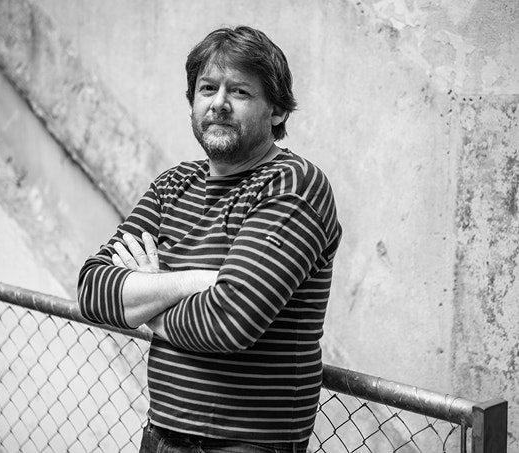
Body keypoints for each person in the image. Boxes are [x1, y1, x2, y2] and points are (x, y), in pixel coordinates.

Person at [78, 25, 342, 453]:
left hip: (247, 445)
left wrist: (147, 302)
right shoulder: (172, 186)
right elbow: (93, 290)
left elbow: (230, 320)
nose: (219, 103)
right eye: (207, 88)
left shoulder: (293, 184)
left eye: (239, 91)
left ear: (277, 111)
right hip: (160, 436)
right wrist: (196, 282)